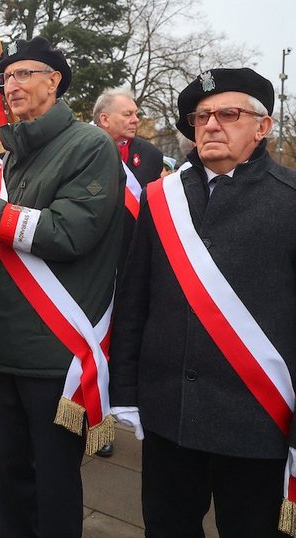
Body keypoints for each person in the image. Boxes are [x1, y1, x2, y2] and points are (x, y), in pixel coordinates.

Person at [109, 68, 296, 537]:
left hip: (256, 424)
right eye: (201, 116)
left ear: (262, 127)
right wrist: (125, 392)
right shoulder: (161, 198)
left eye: (229, 113)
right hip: (167, 414)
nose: (212, 125)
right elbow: (134, 302)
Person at [0, 37, 124, 537]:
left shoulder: (90, 145)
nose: (12, 85)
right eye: (6, 78)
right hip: (7, 346)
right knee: (9, 478)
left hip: (53, 349)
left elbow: (68, 232)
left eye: (26, 74)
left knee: (53, 484)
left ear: (55, 81)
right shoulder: (15, 151)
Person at [91, 88, 163, 458]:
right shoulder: (80, 148)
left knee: (120, 342)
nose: (136, 119)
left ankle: (108, 416)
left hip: (132, 265)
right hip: (87, 266)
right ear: (104, 119)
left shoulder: (149, 156)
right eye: (128, 114)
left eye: (137, 113)